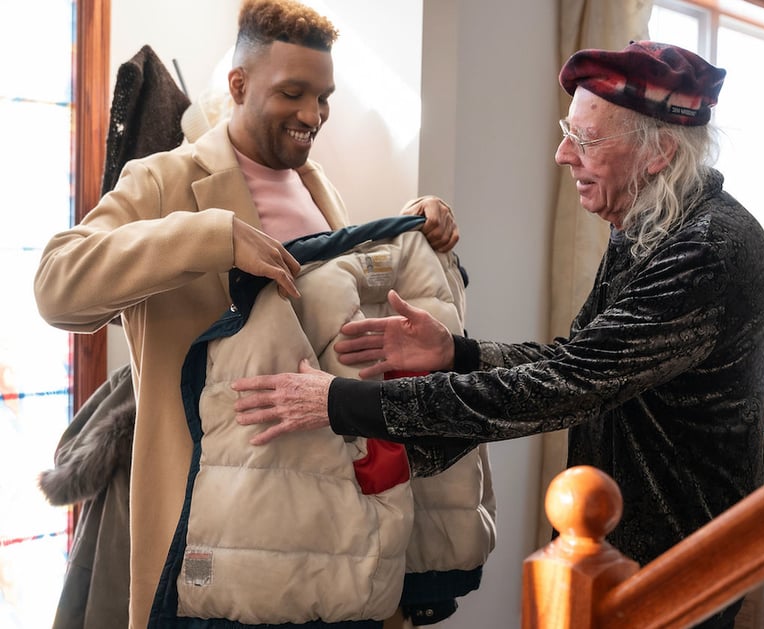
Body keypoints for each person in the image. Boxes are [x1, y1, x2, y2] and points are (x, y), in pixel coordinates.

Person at [233, 41, 764, 629]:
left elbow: (567, 385)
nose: (563, 154)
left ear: (659, 152)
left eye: (586, 140)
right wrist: (455, 352)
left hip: (684, 564)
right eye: (569, 130)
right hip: (620, 542)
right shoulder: (654, 220)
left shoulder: (706, 249)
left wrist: (342, 402)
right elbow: (579, 357)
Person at [33, 1, 461, 627]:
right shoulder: (163, 180)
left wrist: (413, 226)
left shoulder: (321, 188)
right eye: (294, 93)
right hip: (208, 540)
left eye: (324, 98)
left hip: (319, 539)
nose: (313, 116)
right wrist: (210, 238)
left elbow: (335, 323)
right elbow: (56, 285)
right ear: (237, 85)